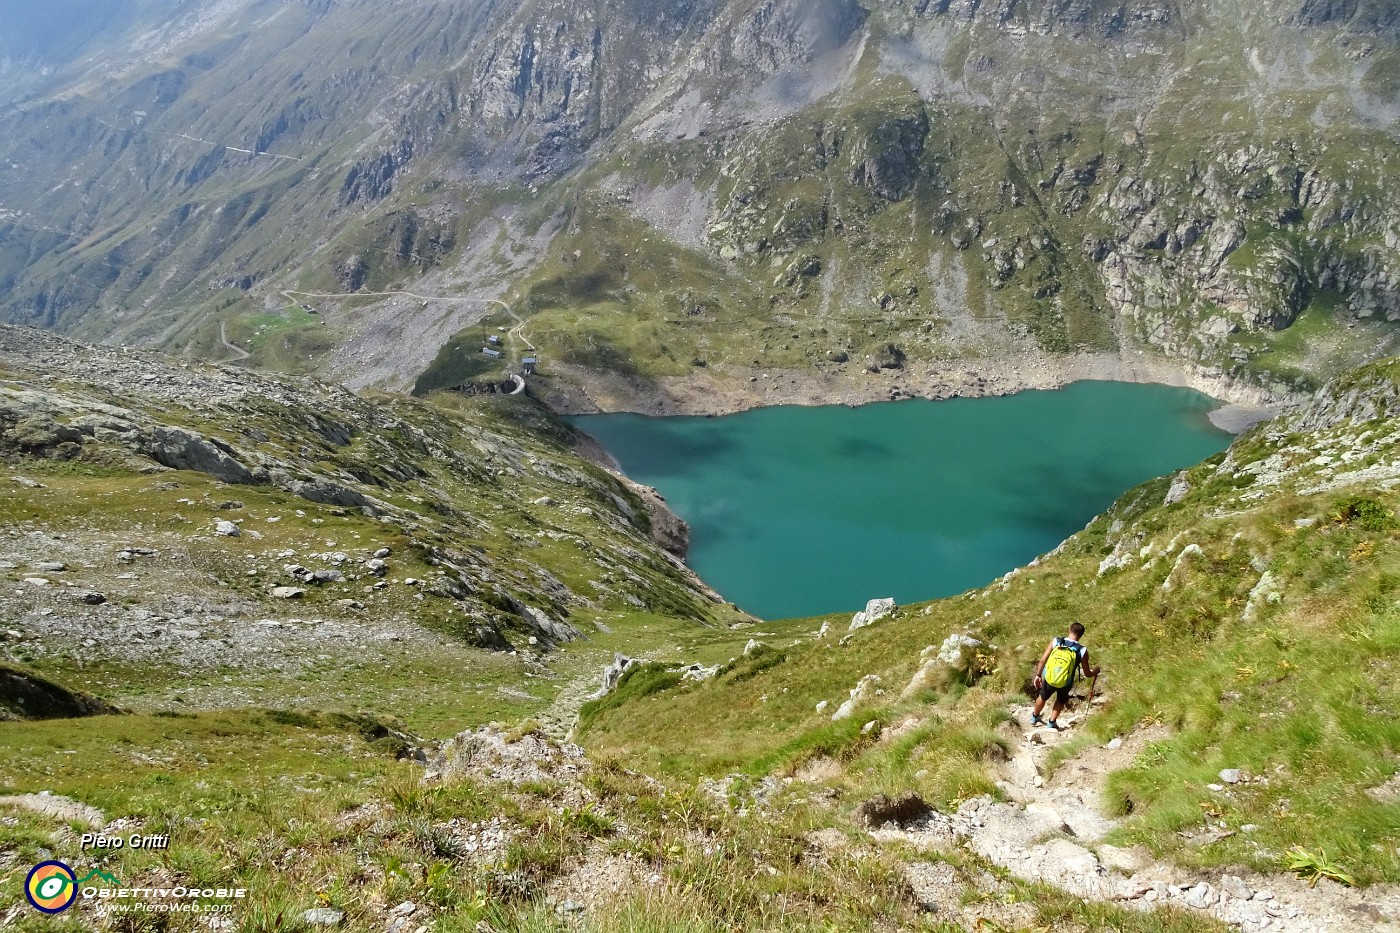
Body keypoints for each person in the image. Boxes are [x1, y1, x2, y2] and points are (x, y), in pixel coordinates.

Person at [1031, 621, 1100, 730]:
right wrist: (1095, 672)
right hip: (1066, 681)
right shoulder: (1082, 650)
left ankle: (1034, 717)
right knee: (1061, 700)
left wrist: (1038, 675)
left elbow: (1043, 660)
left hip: (1049, 677)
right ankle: (1051, 722)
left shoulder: (1056, 641)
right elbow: (1087, 673)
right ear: (1081, 635)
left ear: (1069, 630)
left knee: (1043, 696)